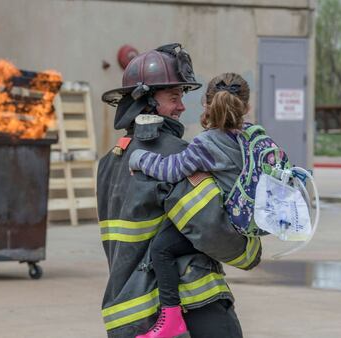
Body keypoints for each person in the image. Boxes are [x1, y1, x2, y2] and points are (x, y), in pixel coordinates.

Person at [98, 44, 262, 338]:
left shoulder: (109, 161)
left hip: (127, 313)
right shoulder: (175, 154)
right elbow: (213, 230)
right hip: (192, 307)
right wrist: (250, 250)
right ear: (146, 101)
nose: (182, 106)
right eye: (174, 97)